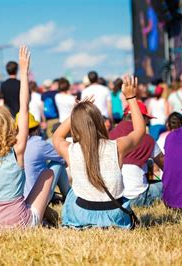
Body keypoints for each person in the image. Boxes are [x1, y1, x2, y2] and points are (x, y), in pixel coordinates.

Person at [0, 46, 54, 231]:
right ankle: (45, 215)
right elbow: (24, 109)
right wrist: (24, 72)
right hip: (19, 223)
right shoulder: (17, 150)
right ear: (9, 127)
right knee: (48, 173)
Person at [53, 75, 145, 229]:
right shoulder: (117, 146)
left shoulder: (70, 150)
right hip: (114, 214)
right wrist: (131, 98)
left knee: (71, 195)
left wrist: (76, 112)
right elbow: (140, 131)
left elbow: (56, 136)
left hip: (82, 213)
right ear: (100, 122)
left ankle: (76, 224)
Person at [109, 101, 164, 207]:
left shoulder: (109, 135)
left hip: (113, 198)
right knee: (163, 185)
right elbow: (165, 166)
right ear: (141, 118)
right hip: (137, 198)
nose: (147, 123)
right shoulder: (147, 139)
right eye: (147, 120)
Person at [21, 113, 70, 201]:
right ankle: (69, 195)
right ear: (36, 128)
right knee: (57, 163)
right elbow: (64, 158)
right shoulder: (38, 144)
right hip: (37, 199)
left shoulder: (14, 146)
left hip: (20, 198)